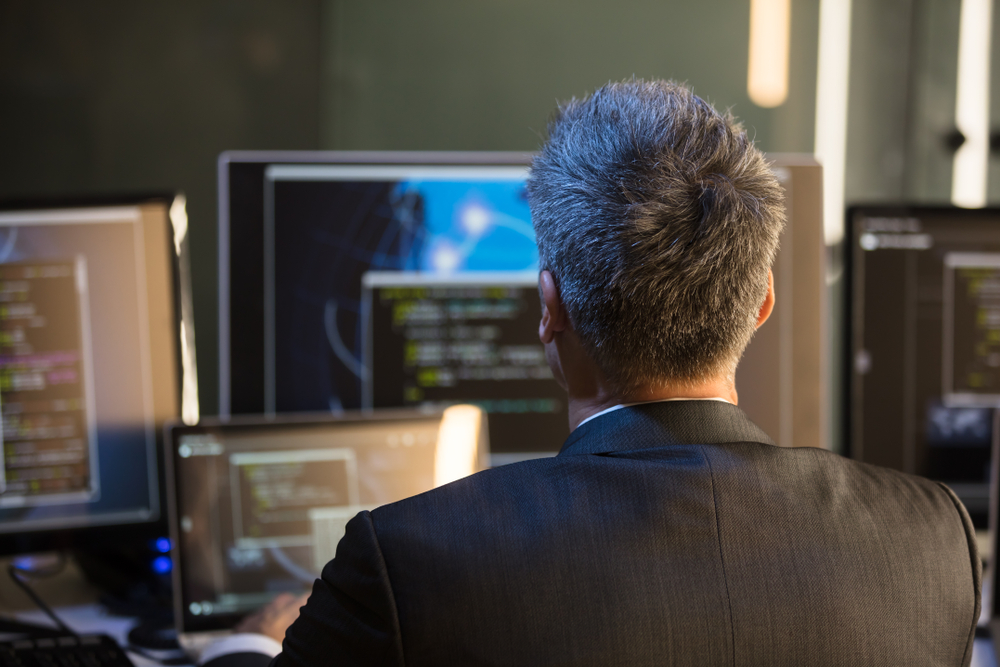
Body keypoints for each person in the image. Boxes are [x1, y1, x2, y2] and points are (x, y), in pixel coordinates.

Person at [206, 79, 981, 666]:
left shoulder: (406, 560)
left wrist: (248, 647)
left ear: (551, 309)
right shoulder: (932, 541)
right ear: (762, 303)